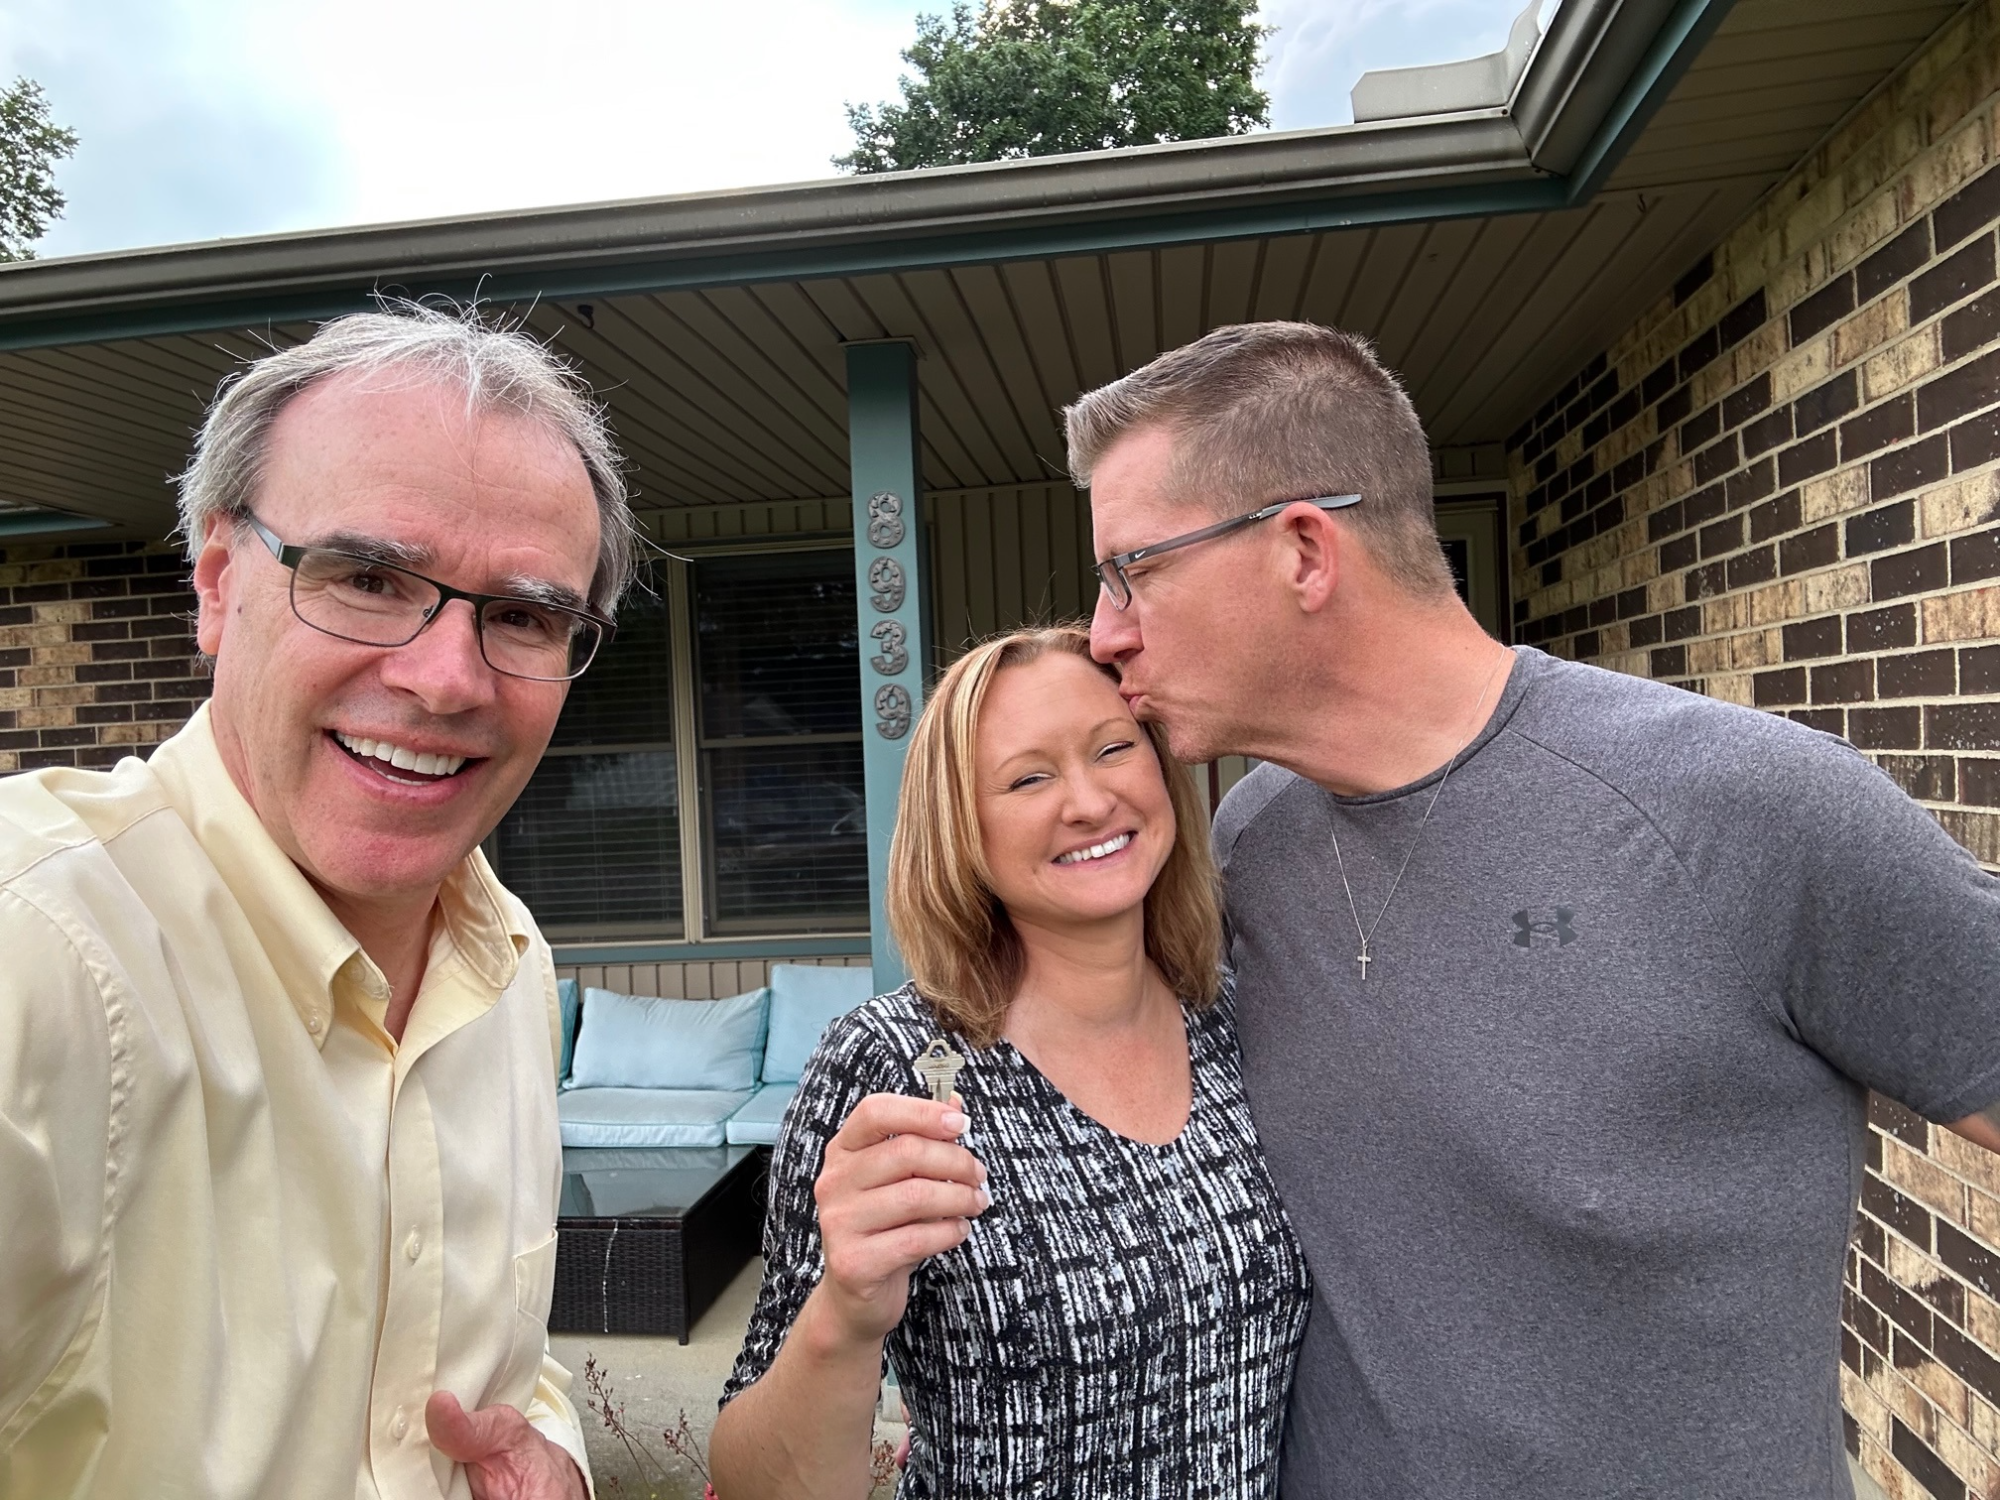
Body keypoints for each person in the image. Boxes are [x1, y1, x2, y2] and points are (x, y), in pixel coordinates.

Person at [1067, 319, 2000, 1499]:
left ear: (1302, 550)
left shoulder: (1743, 811)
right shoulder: (1254, 839)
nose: (1104, 632)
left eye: (1129, 570)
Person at [0, 304, 640, 1500]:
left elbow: (492, 1356)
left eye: (522, 616)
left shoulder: (507, 965)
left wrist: (547, 1448)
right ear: (213, 584)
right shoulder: (34, 954)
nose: (447, 679)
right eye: (365, 577)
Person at [709, 625, 1311, 1499]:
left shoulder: (1240, 1019)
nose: (1089, 800)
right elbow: (754, 1481)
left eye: (1114, 749)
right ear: (962, 830)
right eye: (1029, 777)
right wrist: (845, 1313)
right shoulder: (891, 1065)